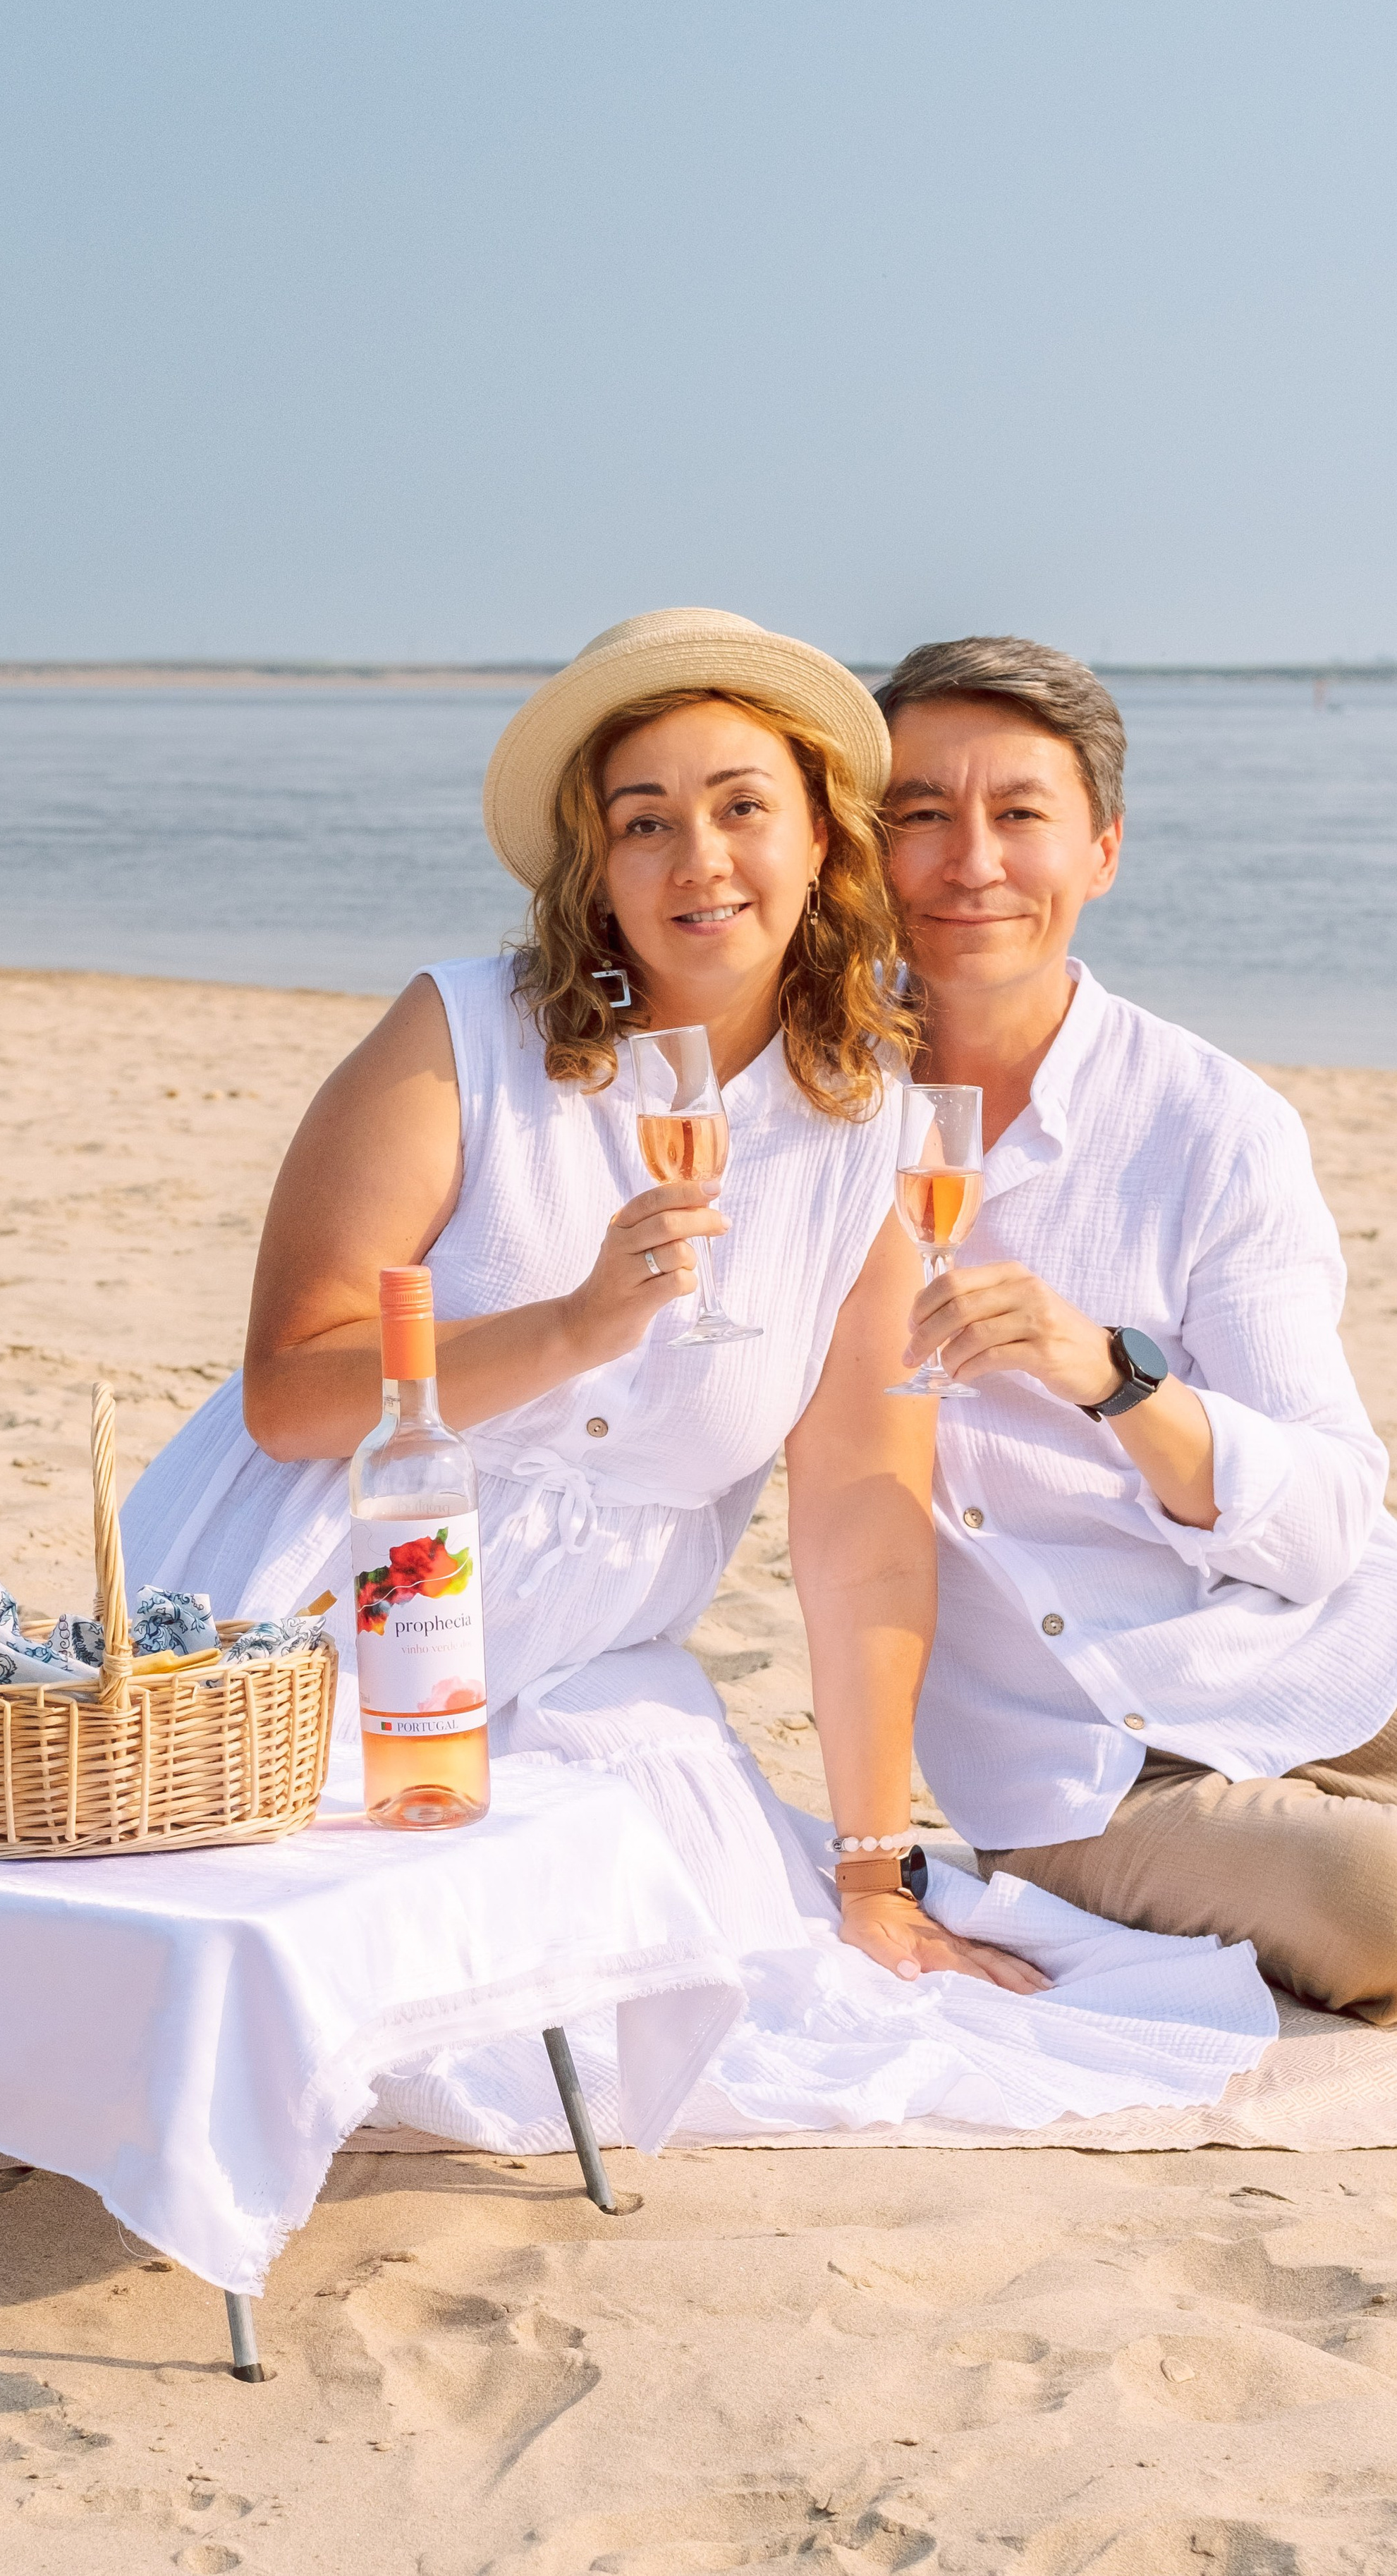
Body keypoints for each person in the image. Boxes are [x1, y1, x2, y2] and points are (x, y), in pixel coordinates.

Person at [121, 608, 1274, 2142]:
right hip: (327, 1601)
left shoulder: (866, 1132)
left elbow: (863, 1519)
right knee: (339, 1994)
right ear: (593, 868)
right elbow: (292, 1388)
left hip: (598, 1651)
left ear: (819, 843)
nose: (697, 861)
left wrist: (871, 1862)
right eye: (642, 822)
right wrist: (576, 1327)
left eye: (741, 808)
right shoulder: (458, 1035)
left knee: (765, 1981)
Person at [877, 635, 1397, 2021]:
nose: (967, 860)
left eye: (1017, 815)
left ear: (1098, 850)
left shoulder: (1209, 1123)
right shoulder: (808, 1127)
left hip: (1329, 1647)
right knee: (1381, 1911)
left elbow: (1329, 1523)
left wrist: (1110, 1376)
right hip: (1075, 1760)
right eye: (918, 813)